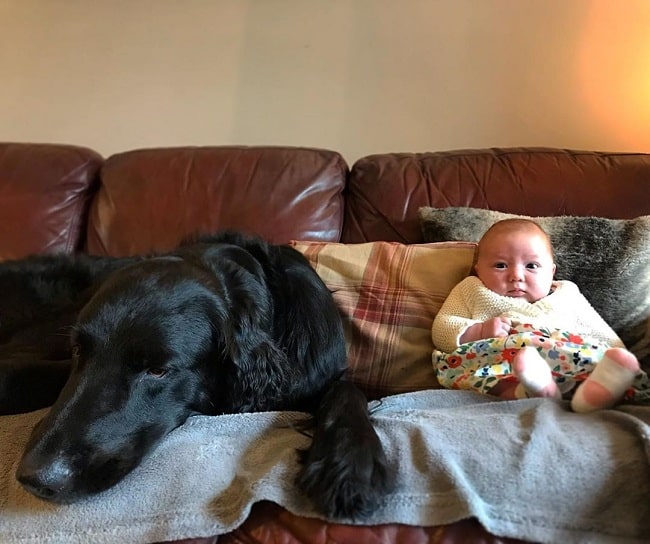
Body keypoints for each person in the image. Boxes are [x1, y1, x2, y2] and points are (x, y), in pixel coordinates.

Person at [431, 218, 649, 412]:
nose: (516, 275)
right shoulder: (472, 289)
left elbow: (596, 328)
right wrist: (478, 331)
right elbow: (442, 327)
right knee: (487, 374)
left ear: (551, 271)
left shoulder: (567, 294)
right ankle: (528, 391)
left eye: (532, 266)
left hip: (566, 356)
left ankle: (596, 392)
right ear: (478, 269)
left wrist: (616, 354)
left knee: (594, 360)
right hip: (504, 360)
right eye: (500, 265)